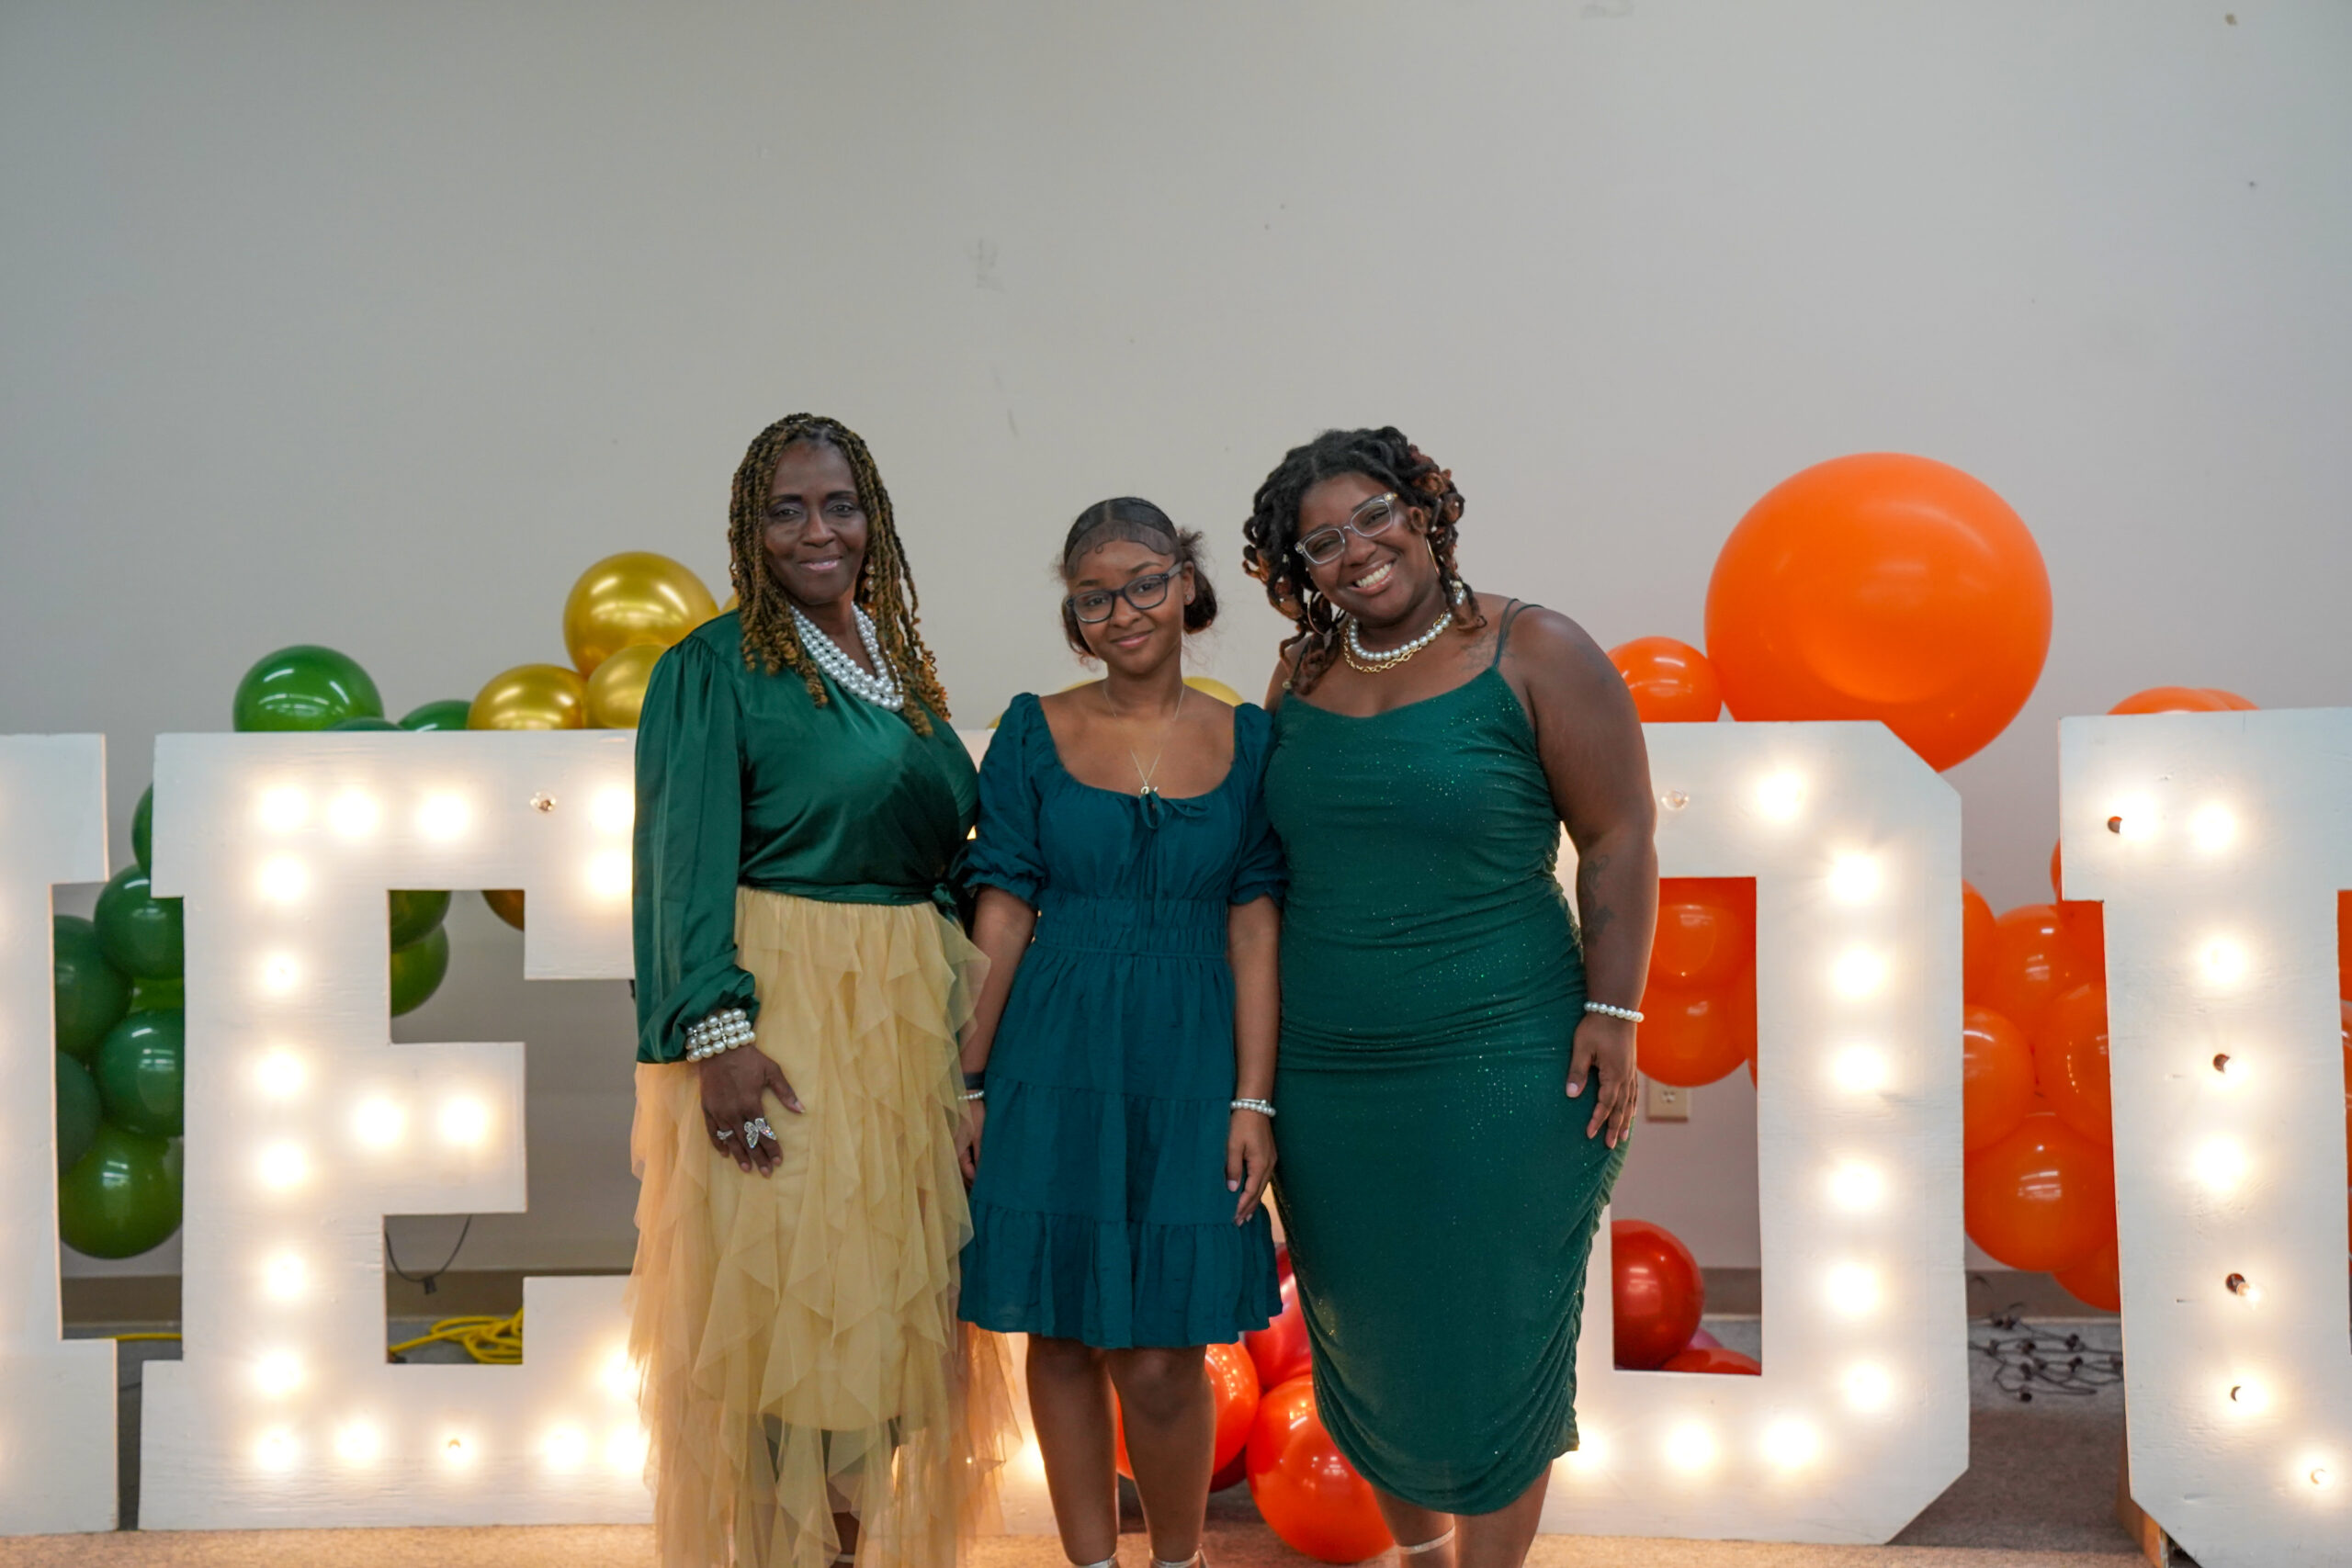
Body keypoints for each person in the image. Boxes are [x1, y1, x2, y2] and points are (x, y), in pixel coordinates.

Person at [1240, 428, 1657, 1568]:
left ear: (1423, 511)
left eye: (1374, 514)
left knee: (1493, 1336)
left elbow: (1618, 836)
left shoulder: (1536, 649)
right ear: (1298, 568)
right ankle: (1423, 1558)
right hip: (1326, 1076)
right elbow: (1270, 873)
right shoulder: (1298, 676)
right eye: (1321, 541)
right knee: (1365, 1337)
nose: (1356, 549)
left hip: (1504, 1058)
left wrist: (1614, 1013)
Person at [628, 413, 1015, 1568]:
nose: (817, 531)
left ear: (873, 519)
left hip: (899, 1022)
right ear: (749, 531)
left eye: (839, 505)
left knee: (886, 1319)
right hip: (784, 1014)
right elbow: (679, 863)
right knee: (788, 1321)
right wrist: (717, 1035)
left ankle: (841, 1551)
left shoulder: (895, 665)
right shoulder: (713, 667)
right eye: (786, 510)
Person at [957, 498, 1284, 1568]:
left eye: (1145, 582)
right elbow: (1002, 910)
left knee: (1161, 1353)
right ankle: (1090, 1561)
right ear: (1074, 616)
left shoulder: (1250, 739)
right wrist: (966, 1078)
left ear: (1186, 583)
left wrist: (1253, 1098)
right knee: (1058, 1334)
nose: (1124, 610)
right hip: (1051, 1051)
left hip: (1191, 1057)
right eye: (1093, 596)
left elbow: (1254, 924)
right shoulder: (1031, 728)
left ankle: (1178, 1558)